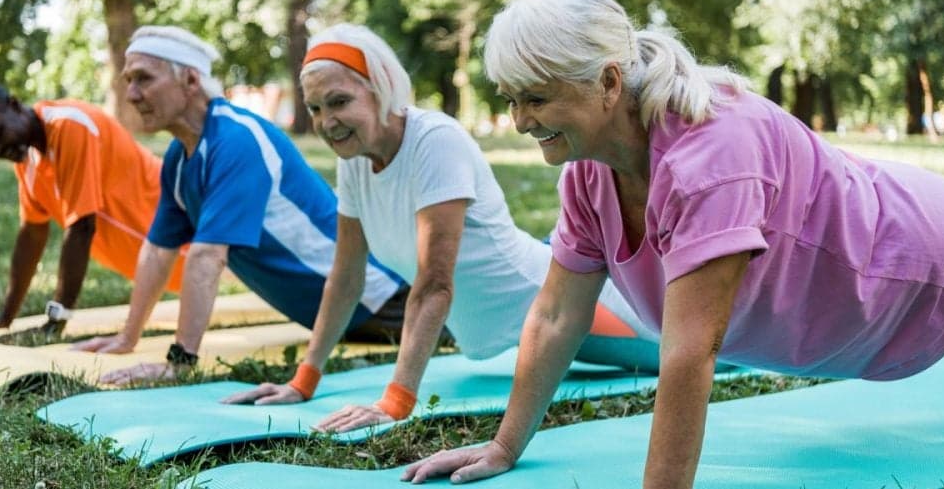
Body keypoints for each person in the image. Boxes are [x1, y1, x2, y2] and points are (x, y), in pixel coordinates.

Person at [402, 0, 944, 487]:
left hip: (921, 269)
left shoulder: (712, 157)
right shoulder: (588, 175)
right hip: (866, 322)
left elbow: (690, 350)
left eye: (536, 99)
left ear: (608, 82)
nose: (520, 121)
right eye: (509, 100)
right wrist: (503, 445)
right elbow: (554, 316)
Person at [221, 23, 658, 432]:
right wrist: (304, 380)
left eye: (339, 102)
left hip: (547, 299)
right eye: (315, 108)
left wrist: (395, 402)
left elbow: (434, 285)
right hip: (512, 325)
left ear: (379, 91)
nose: (326, 121)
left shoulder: (434, 141)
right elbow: (346, 278)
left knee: (692, 353)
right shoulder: (355, 160)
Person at [73, 26, 408, 384]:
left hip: (383, 303)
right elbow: (158, 252)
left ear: (189, 79)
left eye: (143, 79)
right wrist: (127, 338)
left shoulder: (237, 140)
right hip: (341, 317)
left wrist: (180, 361)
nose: (132, 94)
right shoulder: (181, 156)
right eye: (128, 81)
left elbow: (207, 257)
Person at [0, 77, 185, 334]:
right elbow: (32, 234)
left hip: (190, 231)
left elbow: (82, 226)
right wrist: (4, 317)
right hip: (163, 261)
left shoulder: (70, 125)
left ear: (14, 105)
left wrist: (56, 320)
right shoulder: (28, 161)